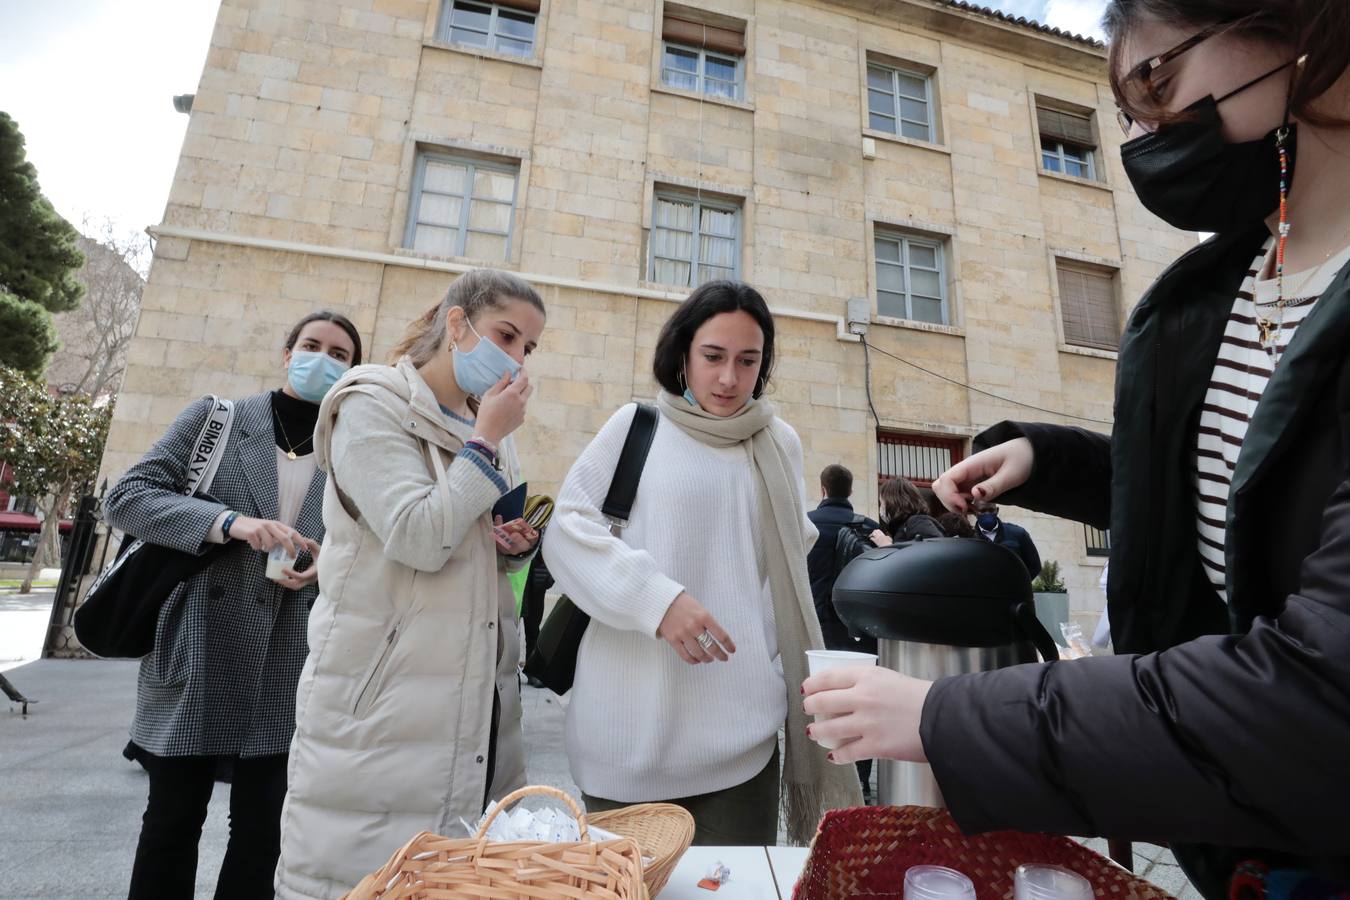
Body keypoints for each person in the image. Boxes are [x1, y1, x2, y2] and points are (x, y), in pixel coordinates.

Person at [803, 2, 1350, 896]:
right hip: (1252, 841)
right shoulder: (1226, 284)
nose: (1143, 136)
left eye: (1157, 82)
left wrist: (950, 718)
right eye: (1128, 114)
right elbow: (1249, 498)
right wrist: (1046, 461)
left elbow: (1321, 695)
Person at [544, 280, 861, 846]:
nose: (728, 379)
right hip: (629, 737)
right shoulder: (636, 427)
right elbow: (566, 532)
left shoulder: (778, 443)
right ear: (683, 355)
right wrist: (657, 600)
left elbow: (777, 575)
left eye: (748, 361)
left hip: (742, 744)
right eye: (713, 357)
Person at [274, 270, 546, 900]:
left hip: (474, 701)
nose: (516, 358)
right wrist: (487, 441)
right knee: (369, 881)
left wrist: (509, 549)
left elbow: (456, 545)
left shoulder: (485, 430)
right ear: (457, 324)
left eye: (529, 347)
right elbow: (419, 537)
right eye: (506, 335)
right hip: (386, 704)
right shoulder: (369, 403)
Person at [104, 311, 362, 900]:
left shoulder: (350, 447)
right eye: (311, 345)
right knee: (171, 821)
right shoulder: (217, 419)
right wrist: (229, 522)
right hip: (201, 642)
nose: (323, 358)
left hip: (292, 653)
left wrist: (332, 562)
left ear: (352, 370)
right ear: (287, 350)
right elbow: (128, 497)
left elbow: (365, 541)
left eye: (340, 354)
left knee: (265, 833)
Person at [806, 464, 880, 650]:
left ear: (823, 489)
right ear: (850, 491)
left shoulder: (806, 523)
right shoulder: (870, 527)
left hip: (815, 618)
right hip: (856, 622)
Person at [967, 501, 1041, 579]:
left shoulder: (1018, 533)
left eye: (991, 510)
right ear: (974, 512)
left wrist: (1020, 585)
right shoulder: (969, 539)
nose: (987, 514)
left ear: (997, 510)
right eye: (982, 511)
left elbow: (1035, 566)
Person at [867, 476, 945, 548]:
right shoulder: (902, 527)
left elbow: (933, 553)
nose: (880, 509)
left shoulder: (917, 522)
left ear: (893, 501)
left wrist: (887, 546)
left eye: (882, 503)